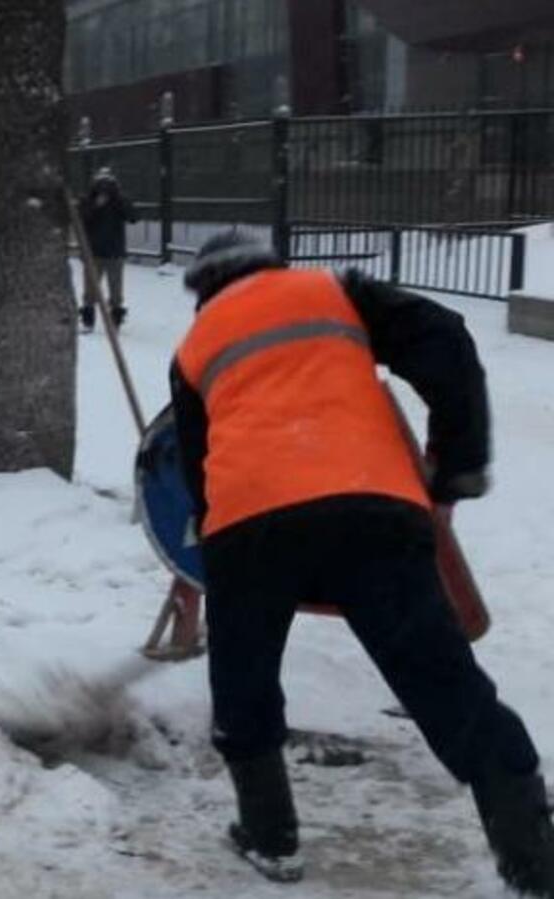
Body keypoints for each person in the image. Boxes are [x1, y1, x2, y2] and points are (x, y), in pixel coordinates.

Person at [170, 231, 553, 894]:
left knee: (243, 677)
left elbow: (195, 464)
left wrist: (221, 543)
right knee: (441, 678)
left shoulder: (193, 347)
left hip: (249, 523)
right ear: (269, 265)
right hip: (370, 508)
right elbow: (445, 338)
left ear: (202, 289)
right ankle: (531, 855)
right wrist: (458, 462)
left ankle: (270, 834)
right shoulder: (333, 291)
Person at [79, 168, 139, 331]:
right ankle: (88, 318)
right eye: (101, 184)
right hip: (94, 251)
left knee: (116, 290)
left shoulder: (119, 201)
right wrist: (95, 205)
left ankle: (115, 319)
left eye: (107, 184)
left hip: (114, 251)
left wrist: (119, 199)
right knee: (90, 288)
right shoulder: (88, 200)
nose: (104, 188)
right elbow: (81, 218)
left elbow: (133, 217)